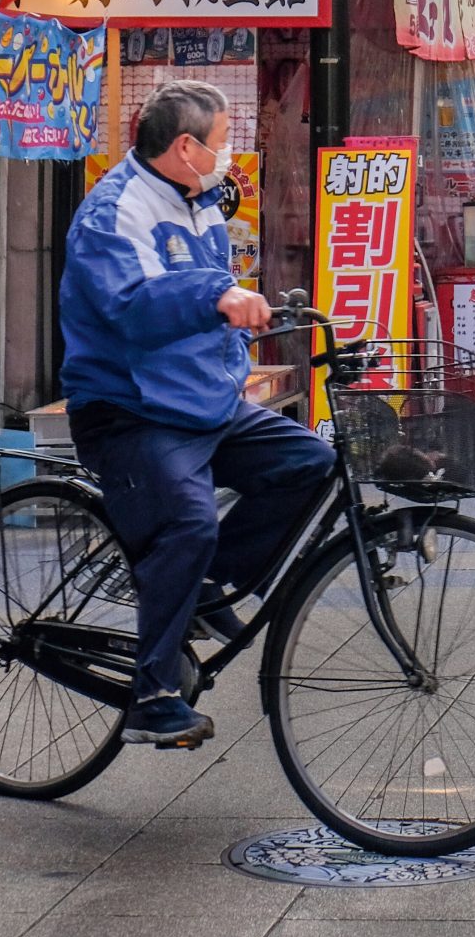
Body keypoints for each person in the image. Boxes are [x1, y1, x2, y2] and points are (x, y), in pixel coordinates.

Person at [60, 80, 336, 748]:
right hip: (131, 407)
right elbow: (131, 305)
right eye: (222, 140)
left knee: (311, 462)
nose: (229, 152)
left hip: (204, 400)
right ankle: (151, 696)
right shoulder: (112, 212)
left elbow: (213, 304)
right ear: (185, 146)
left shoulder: (202, 203)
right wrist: (217, 294)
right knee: (187, 523)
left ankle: (208, 587)